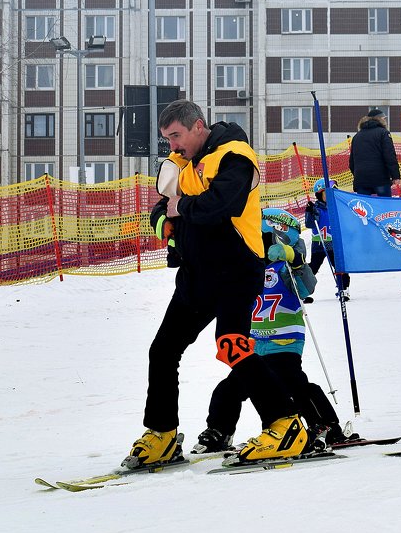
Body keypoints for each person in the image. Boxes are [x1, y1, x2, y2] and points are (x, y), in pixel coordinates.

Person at [128, 100, 305, 468]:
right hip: (197, 274)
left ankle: (285, 425)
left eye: (176, 136)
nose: (172, 146)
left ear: (198, 126)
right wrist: (164, 220)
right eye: (167, 139)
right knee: (162, 351)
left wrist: (180, 208)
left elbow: (223, 203)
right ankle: (161, 434)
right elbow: (163, 205)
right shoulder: (182, 164)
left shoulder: (234, 155)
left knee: (232, 345)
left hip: (237, 268)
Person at [192, 209, 354, 455]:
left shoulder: (284, 268)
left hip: (285, 342)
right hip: (255, 346)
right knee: (229, 388)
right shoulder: (248, 269)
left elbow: (307, 287)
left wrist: (295, 260)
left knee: (293, 383)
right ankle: (219, 431)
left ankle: (326, 426)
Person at [304, 177, 349, 301]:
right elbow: (310, 224)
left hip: (333, 243)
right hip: (319, 244)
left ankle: (344, 289)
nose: (330, 197)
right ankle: (302, 290)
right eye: (326, 194)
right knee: (313, 267)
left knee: (339, 266)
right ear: (319, 195)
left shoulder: (337, 209)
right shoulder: (317, 209)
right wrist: (309, 212)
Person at [348, 108, 401, 197]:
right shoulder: (383, 133)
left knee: (365, 207)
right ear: (379, 119)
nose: (385, 120)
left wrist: (358, 175)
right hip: (380, 179)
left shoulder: (357, 136)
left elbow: (352, 162)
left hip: (361, 180)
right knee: (385, 206)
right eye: (384, 118)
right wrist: (395, 176)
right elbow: (389, 156)